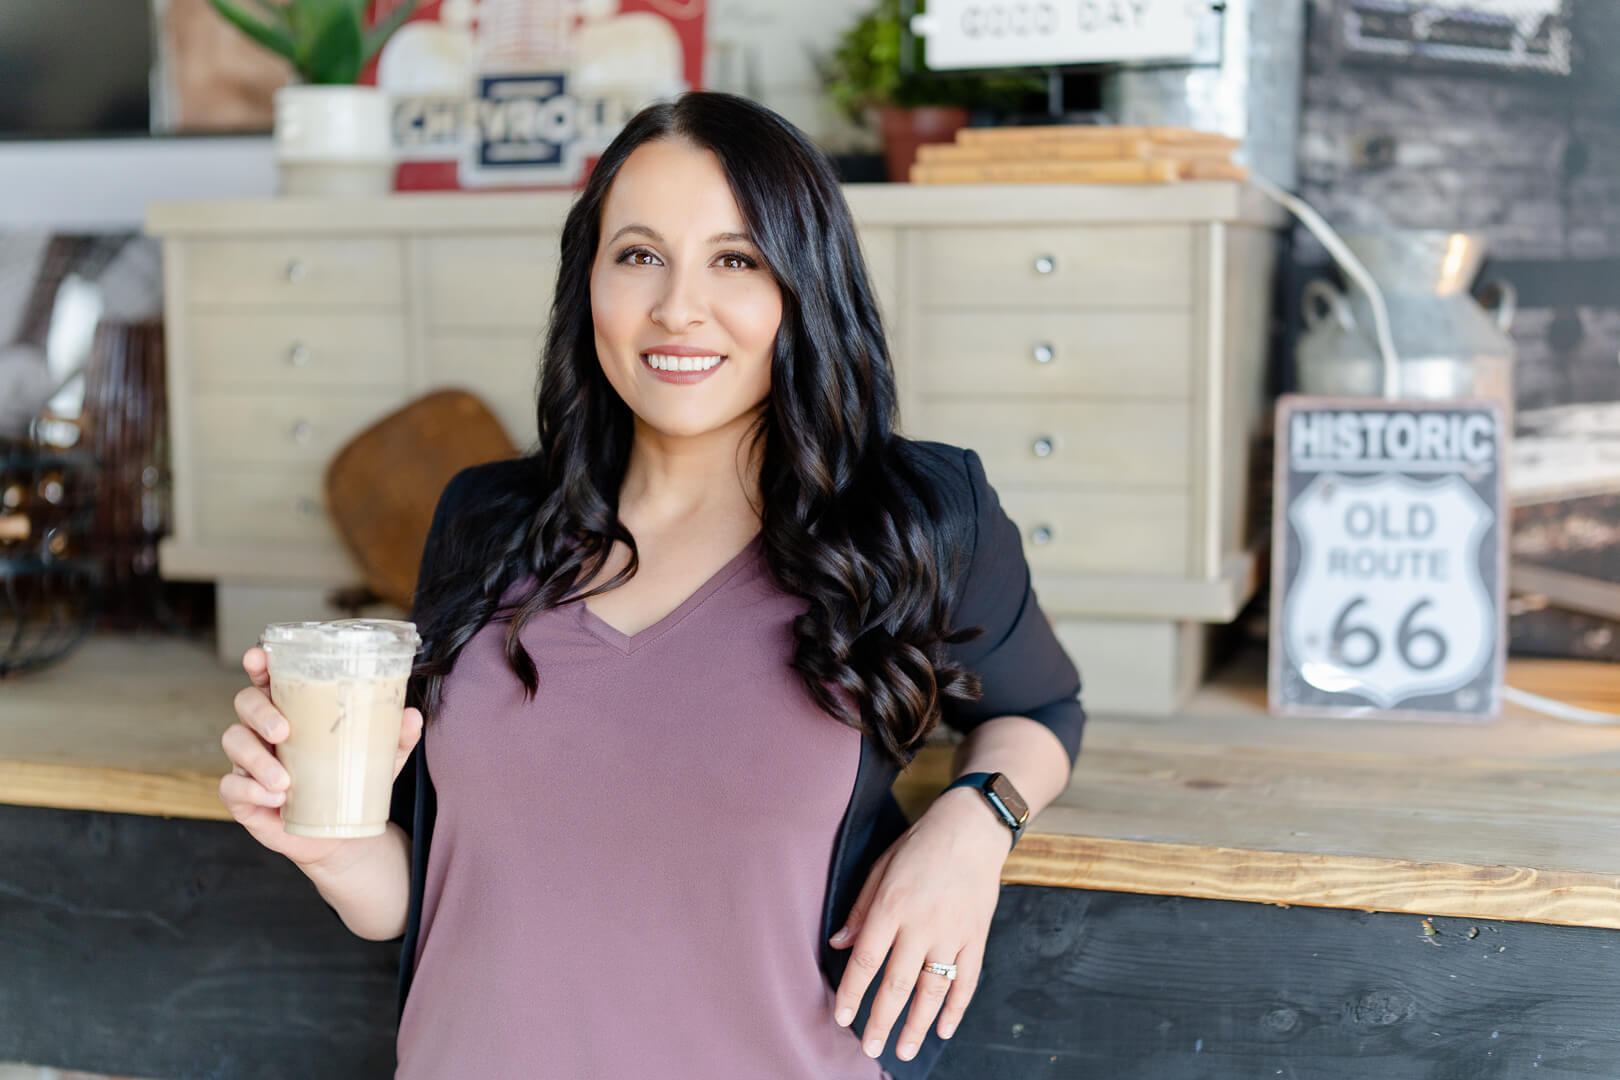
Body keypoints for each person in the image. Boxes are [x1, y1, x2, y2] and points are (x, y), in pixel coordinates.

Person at [218, 90, 1085, 1079]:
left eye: (736, 258)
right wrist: (330, 846)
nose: (677, 305)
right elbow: (425, 896)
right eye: (638, 255)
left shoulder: (915, 516)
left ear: (804, 285)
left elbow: (1042, 708)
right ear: (587, 281)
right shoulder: (486, 523)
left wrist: (976, 824)